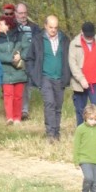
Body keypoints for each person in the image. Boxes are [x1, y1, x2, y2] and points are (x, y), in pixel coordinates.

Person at [24, 15, 70, 143]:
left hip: (60, 78)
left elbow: (70, 59)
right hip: (45, 77)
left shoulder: (64, 39)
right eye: (51, 27)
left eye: (55, 27)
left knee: (58, 106)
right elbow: (29, 59)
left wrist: (68, 75)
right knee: (49, 103)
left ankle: (56, 131)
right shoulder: (38, 39)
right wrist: (34, 75)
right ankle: (50, 133)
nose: (53, 30)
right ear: (45, 26)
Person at [0, 15, 30, 126]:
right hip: (5, 72)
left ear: (8, 26)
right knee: (8, 95)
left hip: (19, 71)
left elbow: (27, 49)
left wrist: (21, 56)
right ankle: (9, 117)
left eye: (1, 24)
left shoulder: (21, 36)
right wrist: (11, 58)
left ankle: (17, 118)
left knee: (18, 96)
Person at [14, 3, 41, 121]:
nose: (23, 15)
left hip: (30, 61)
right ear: (15, 14)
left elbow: (39, 45)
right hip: (14, 60)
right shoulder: (11, 27)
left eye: (25, 13)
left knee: (27, 86)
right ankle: (14, 111)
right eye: (20, 13)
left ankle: (24, 111)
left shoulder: (35, 28)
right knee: (14, 86)